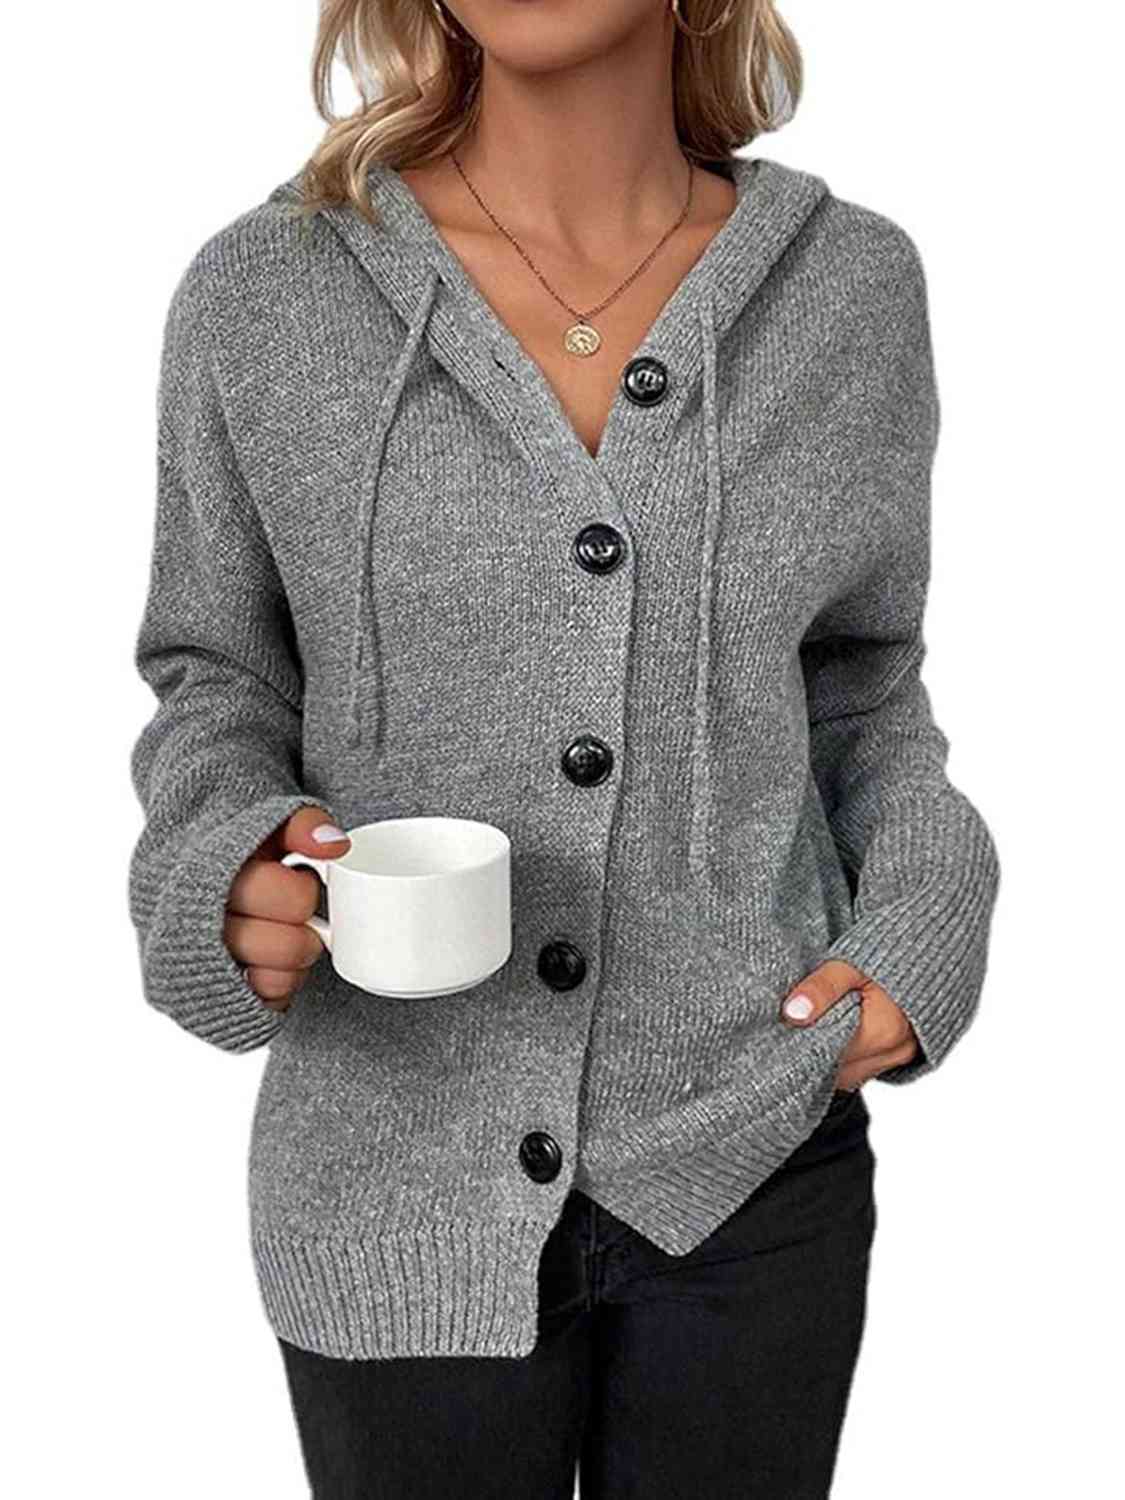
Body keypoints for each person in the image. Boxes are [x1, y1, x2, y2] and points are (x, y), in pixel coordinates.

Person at [127, 1, 1002, 1495]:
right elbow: (215, 675)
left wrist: (928, 915)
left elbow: (861, 685)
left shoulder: (848, 290)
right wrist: (226, 866)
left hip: (754, 1154)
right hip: (389, 1167)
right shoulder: (264, 292)